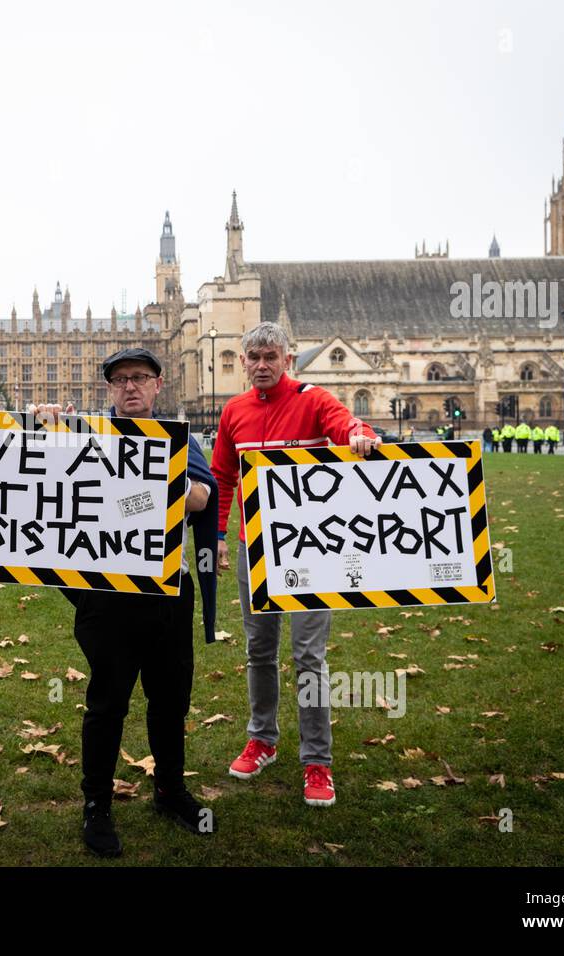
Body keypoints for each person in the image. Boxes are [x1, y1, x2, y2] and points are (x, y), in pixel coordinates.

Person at [37, 347, 219, 858]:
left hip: (167, 593)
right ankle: (97, 804)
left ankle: (170, 790)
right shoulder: (85, 436)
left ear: (158, 384)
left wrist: (156, 483)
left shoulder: (180, 440)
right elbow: (39, 477)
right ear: (109, 390)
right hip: (107, 596)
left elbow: (203, 495)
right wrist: (50, 426)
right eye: (119, 380)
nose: (130, 387)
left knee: (169, 700)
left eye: (139, 377)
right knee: (107, 702)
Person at [210, 322, 381, 809]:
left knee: (309, 655)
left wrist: (360, 435)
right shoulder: (233, 412)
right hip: (256, 548)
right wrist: (220, 537)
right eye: (254, 357)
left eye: (271, 357)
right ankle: (262, 738)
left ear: (288, 360)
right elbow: (223, 478)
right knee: (259, 649)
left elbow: (347, 425)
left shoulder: (312, 399)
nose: (262, 365)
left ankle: (316, 761)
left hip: (313, 550)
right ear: (243, 363)